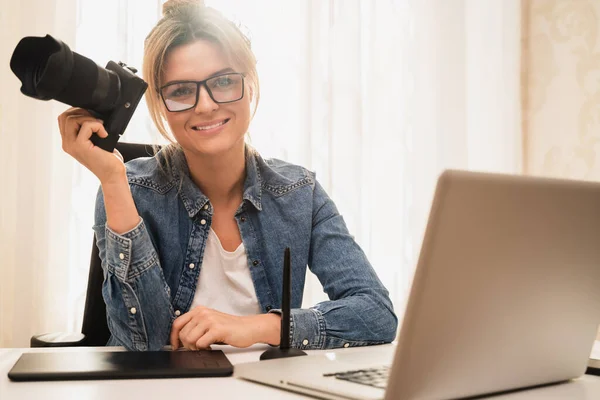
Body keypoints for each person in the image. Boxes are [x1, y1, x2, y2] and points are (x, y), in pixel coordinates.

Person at [57, 0, 397, 351]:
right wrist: (113, 182)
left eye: (223, 81)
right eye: (181, 91)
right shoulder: (128, 189)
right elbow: (146, 347)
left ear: (249, 86)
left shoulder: (299, 192)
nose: (205, 105)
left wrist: (261, 327)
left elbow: (376, 313)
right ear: (160, 105)